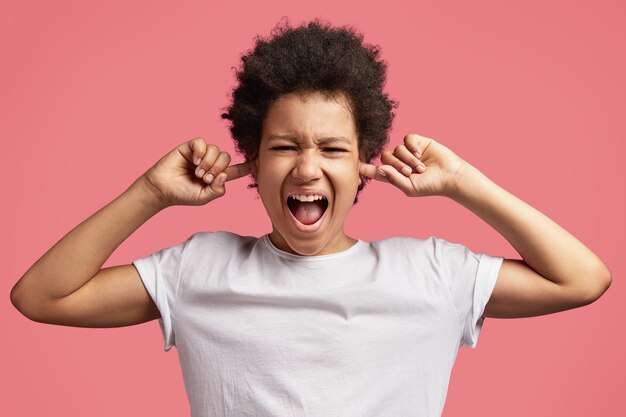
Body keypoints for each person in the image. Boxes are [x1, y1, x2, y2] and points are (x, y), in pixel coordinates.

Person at [10, 19, 611, 417]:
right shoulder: (200, 268)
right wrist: (148, 192)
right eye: (283, 147)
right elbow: (40, 297)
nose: (306, 167)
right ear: (252, 159)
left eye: (331, 149)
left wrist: (463, 184)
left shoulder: (428, 272)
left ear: (362, 165)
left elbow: (582, 279)